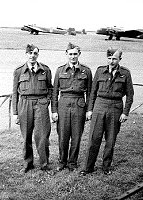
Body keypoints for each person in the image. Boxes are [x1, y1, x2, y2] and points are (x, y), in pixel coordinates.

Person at [80, 47, 134, 175]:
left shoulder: (125, 73)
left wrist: (125, 112)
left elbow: (130, 95)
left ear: (120, 59)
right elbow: (92, 92)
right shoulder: (100, 71)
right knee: (94, 138)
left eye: (114, 59)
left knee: (110, 140)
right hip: (100, 105)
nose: (111, 61)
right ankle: (88, 167)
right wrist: (90, 110)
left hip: (115, 107)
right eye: (109, 58)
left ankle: (106, 167)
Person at [52, 42, 92, 172]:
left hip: (79, 103)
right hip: (63, 103)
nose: (73, 57)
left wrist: (89, 110)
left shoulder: (86, 71)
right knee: (63, 135)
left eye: (75, 54)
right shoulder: (60, 70)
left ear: (79, 54)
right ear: (66, 54)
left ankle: (72, 162)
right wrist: (54, 110)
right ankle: (62, 161)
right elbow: (54, 92)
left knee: (76, 135)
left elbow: (90, 93)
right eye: (70, 54)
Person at [12, 44, 53, 173]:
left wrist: (47, 101)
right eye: (30, 53)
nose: (32, 56)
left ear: (38, 55)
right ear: (26, 54)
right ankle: (28, 163)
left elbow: (50, 88)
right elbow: (15, 93)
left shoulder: (45, 70)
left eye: (35, 53)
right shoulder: (19, 71)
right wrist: (15, 113)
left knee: (42, 135)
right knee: (26, 136)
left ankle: (44, 163)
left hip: (41, 104)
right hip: (24, 104)